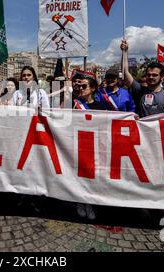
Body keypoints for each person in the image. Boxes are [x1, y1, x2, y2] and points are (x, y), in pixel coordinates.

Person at [71, 74, 105, 220]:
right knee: (77, 175)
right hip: (74, 144)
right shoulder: (72, 103)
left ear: (92, 89)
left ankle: (89, 202)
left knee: (90, 176)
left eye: (84, 86)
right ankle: (79, 201)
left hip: (92, 145)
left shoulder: (99, 106)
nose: (80, 88)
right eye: (78, 86)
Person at [122, 40, 164, 117]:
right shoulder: (140, 90)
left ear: (162, 76)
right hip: (143, 129)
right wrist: (125, 52)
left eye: (154, 75)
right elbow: (125, 72)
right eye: (148, 74)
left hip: (162, 128)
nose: (151, 77)